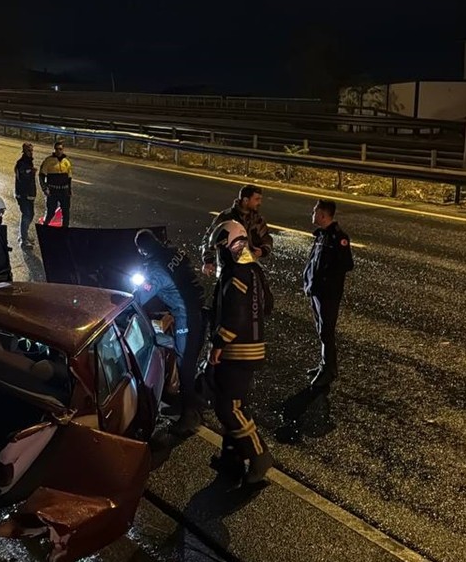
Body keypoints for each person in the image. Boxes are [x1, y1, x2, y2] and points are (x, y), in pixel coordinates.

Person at [206, 219, 274, 485]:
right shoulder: (253, 269)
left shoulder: (235, 273)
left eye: (220, 247)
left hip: (238, 351)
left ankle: (259, 455)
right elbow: (267, 305)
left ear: (228, 245)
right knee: (231, 403)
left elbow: (234, 316)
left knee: (228, 408)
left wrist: (218, 345)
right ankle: (231, 458)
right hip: (252, 346)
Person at [278, 199, 353, 439]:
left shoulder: (337, 238)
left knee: (326, 331)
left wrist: (323, 282)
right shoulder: (321, 235)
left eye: (315, 211)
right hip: (317, 292)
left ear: (323, 214)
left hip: (327, 294)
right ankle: (325, 365)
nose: (312, 213)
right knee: (321, 329)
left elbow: (345, 265)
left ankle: (328, 369)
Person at [132, 229, 207, 436]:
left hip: (187, 317)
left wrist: (128, 296)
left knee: (185, 365)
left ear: (142, 250)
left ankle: (189, 415)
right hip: (197, 310)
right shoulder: (174, 252)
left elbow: (139, 298)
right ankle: (187, 403)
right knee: (185, 359)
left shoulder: (155, 270)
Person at [201, 184, 273, 276]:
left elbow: (266, 238)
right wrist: (208, 261)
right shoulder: (226, 217)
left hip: (248, 268)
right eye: (257, 199)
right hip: (227, 270)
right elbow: (208, 239)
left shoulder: (257, 219)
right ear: (246, 200)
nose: (260, 203)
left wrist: (262, 251)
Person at [38, 140, 73, 227]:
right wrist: (44, 188)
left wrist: (69, 190)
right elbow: (41, 175)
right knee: (50, 212)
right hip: (53, 191)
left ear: (63, 150)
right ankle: (44, 228)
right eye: (57, 149)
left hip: (64, 191)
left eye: (60, 149)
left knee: (66, 212)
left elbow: (69, 177)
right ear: (54, 149)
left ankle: (64, 231)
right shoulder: (48, 161)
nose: (59, 151)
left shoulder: (66, 161)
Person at [13, 143, 37, 247]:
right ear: (24, 151)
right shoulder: (21, 163)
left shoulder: (29, 162)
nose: (31, 153)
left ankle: (24, 235)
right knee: (27, 215)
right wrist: (31, 172)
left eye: (32, 151)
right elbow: (22, 178)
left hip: (29, 194)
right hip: (23, 195)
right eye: (29, 151)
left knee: (30, 215)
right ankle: (23, 239)